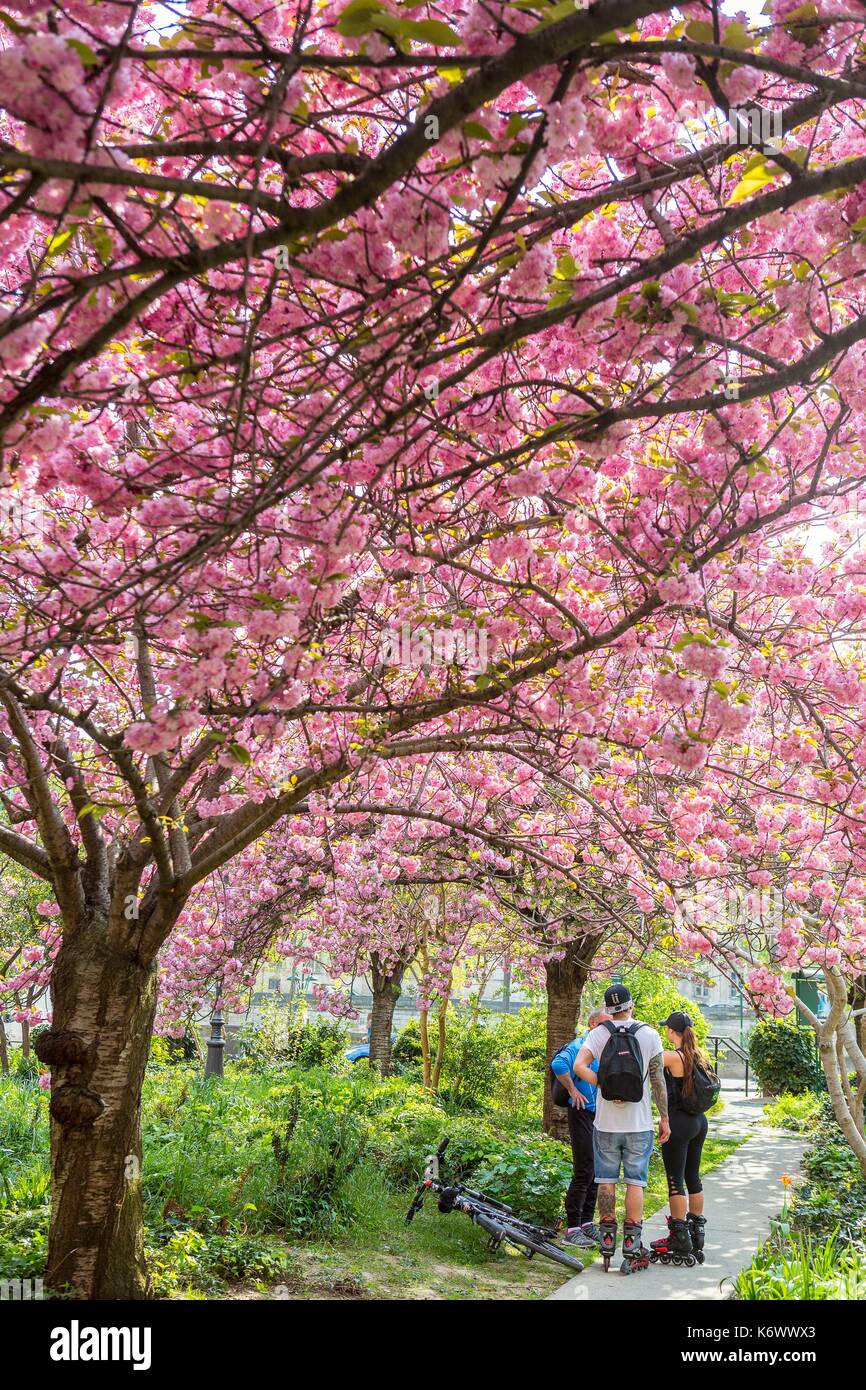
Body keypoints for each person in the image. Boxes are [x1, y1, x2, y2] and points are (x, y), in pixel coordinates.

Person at [574, 983, 669, 1274]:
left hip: (605, 1123)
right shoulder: (649, 1034)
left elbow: (578, 1066)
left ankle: (606, 1239)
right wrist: (664, 1117)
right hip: (638, 1123)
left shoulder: (598, 1033)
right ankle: (631, 1243)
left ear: (608, 1009)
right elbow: (657, 1081)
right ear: (631, 1006)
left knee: (606, 1180)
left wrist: (602, 1083)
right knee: (635, 1181)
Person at [649, 1011, 710, 1265]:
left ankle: (678, 1236)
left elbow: (648, 1062)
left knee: (675, 1181)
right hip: (699, 1122)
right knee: (693, 1177)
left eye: (667, 1029)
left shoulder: (673, 1056)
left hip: (679, 1123)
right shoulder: (700, 1056)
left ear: (672, 1032)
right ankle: (697, 1233)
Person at [550, 1007, 610, 1249]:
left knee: (596, 1171)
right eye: (604, 1025)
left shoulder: (603, 1048)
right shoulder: (579, 1046)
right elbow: (558, 1064)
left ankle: (586, 1223)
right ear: (592, 1023)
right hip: (581, 1113)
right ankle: (572, 1227)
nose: (608, 1030)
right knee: (584, 1170)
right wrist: (572, 1090)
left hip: (600, 1115)